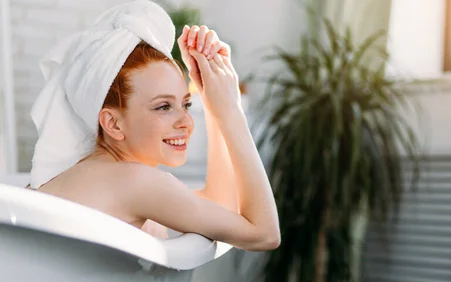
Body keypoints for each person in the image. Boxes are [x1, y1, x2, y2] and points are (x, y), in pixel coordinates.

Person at [31, 20, 280, 251]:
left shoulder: (73, 173)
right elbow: (265, 235)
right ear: (113, 123)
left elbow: (219, 211)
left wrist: (214, 106)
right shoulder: (137, 181)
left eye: (187, 104)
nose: (187, 122)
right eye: (163, 107)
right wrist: (232, 111)